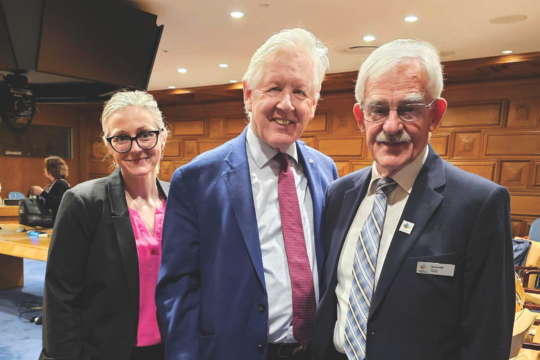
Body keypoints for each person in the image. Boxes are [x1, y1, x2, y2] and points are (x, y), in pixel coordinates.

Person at [311, 39, 514, 360]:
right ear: (360, 117)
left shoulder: (479, 204)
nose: (391, 126)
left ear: (435, 115)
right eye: (378, 109)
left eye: (409, 109)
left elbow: (487, 338)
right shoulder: (339, 194)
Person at [156, 28, 338, 360]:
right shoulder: (197, 179)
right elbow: (178, 288)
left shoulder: (326, 170)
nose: (287, 103)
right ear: (248, 94)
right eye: (274, 88)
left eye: (300, 91)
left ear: (313, 104)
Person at [40, 91, 169, 360]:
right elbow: (61, 297)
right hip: (106, 351)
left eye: (145, 134)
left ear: (163, 136)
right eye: (121, 137)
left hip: (172, 350)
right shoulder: (83, 203)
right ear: (108, 144)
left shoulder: (181, 200)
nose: (135, 147)